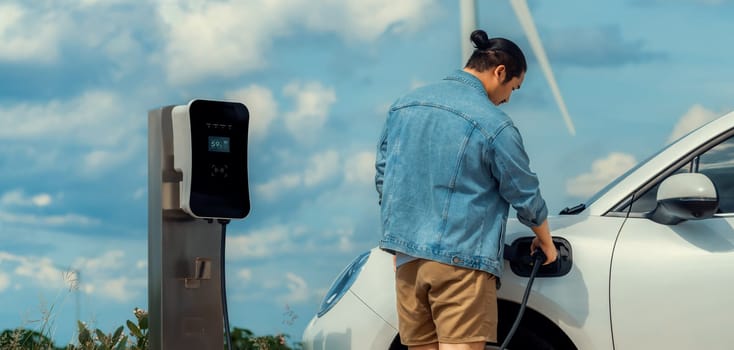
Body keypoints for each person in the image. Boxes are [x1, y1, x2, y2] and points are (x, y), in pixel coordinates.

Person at [374, 29, 558, 350]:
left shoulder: (403, 106)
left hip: (407, 260)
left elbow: (384, 177)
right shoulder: (492, 122)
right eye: (513, 88)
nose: (508, 99)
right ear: (500, 72)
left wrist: (401, 241)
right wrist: (546, 242)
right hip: (461, 263)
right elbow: (523, 190)